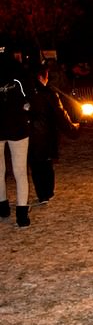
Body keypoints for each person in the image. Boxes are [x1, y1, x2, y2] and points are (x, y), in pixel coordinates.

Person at [28, 64, 80, 205]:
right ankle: (47, 192)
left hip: (28, 135)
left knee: (35, 166)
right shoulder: (48, 93)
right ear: (41, 77)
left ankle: (41, 193)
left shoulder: (26, 93)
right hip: (45, 134)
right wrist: (73, 128)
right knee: (46, 164)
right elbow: (60, 114)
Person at [0, 48, 33, 227]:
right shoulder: (18, 71)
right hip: (17, 126)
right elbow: (28, 99)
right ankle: (22, 214)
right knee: (20, 171)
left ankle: (3, 207)